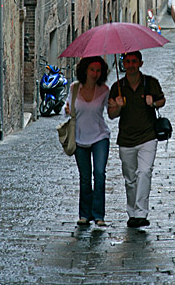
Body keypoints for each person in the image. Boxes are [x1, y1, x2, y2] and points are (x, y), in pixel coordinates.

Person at [108, 51, 165, 228]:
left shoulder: (151, 83)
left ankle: (141, 213)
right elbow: (111, 115)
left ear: (140, 63)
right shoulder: (117, 86)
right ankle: (132, 212)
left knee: (144, 172)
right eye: (128, 62)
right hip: (126, 139)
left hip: (148, 136)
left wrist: (153, 103)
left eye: (134, 61)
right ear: (123, 64)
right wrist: (118, 107)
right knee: (130, 179)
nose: (131, 65)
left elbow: (162, 100)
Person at [64, 56, 110, 228]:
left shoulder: (104, 90)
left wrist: (118, 105)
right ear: (85, 70)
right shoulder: (74, 88)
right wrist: (66, 109)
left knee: (99, 174)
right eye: (92, 70)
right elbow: (67, 108)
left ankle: (99, 216)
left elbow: (111, 113)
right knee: (84, 178)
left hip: (100, 137)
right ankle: (84, 214)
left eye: (98, 70)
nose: (95, 74)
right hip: (79, 137)